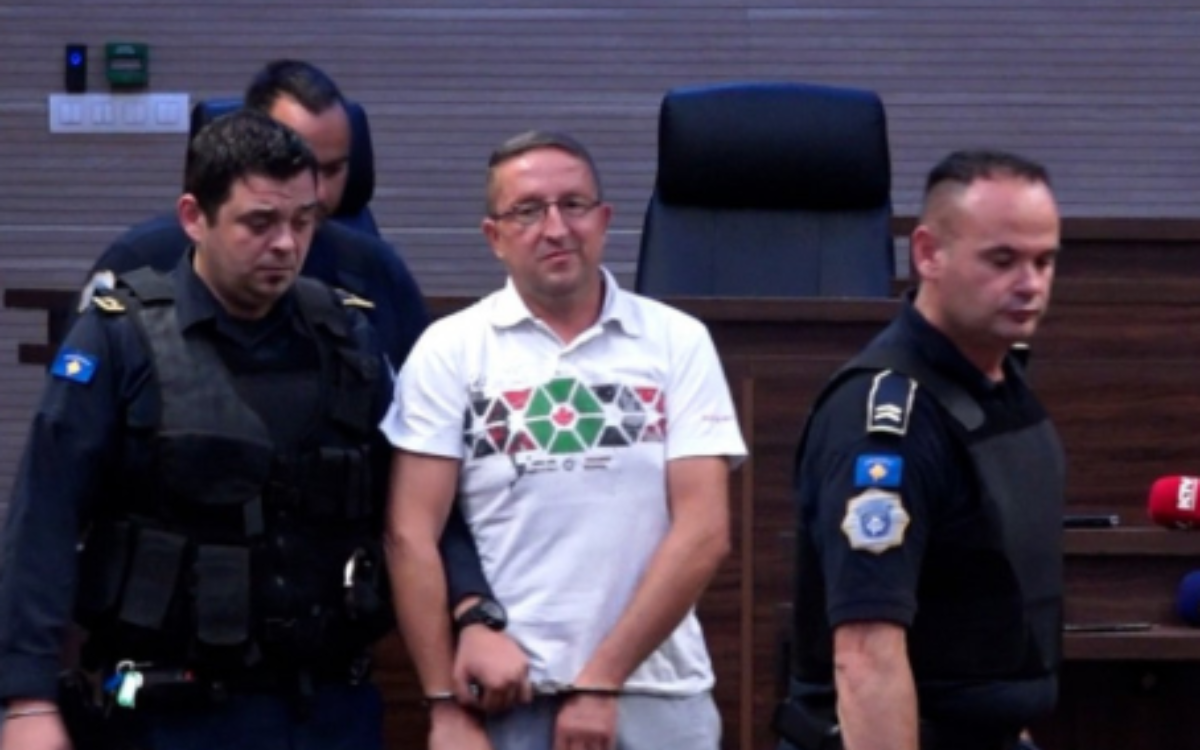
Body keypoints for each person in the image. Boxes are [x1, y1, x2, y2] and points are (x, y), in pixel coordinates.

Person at [0, 110, 483, 750]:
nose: (286, 243)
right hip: (169, 714)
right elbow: (44, 518)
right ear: (194, 217)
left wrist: (473, 608)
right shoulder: (120, 338)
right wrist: (27, 699)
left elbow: (419, 505)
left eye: (303, 221)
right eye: (260, 222)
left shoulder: (349, 337)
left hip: (331, 708)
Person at [381, 130, 748, 750]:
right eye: (527, 211)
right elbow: (408, 534)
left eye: (573, 205)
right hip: (508, 698)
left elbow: (705, 531)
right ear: (494, 237)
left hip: (657, 693)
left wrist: (602, 679)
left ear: (604, 220)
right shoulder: (449, 350)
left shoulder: (676, 341)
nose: (555, 228)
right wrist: (443, 702)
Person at [774, 150, 1064, 750]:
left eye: (1044, 261)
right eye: (1003, 260)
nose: (1030, 284)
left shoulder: (1001, 388)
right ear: (929, 253)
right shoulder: (885, 422)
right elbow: (866, 656)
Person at [83, 59, 427, 377]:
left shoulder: (377, 270)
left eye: (333, 169)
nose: (317, 191)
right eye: (297, 163)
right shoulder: (142, 259)